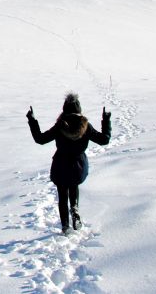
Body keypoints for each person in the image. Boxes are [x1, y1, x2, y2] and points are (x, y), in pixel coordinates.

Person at [26, 93, 111, 234]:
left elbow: (40, 139)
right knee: (74, 186)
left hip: (61, 164)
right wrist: (106, 120)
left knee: (62, 194)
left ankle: (65, 226)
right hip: (78, 165)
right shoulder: (85, 126)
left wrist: (32, 120)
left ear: (64, 108)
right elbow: (104, 140)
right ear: (79, 109)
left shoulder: (60, 125)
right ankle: (75, 208)